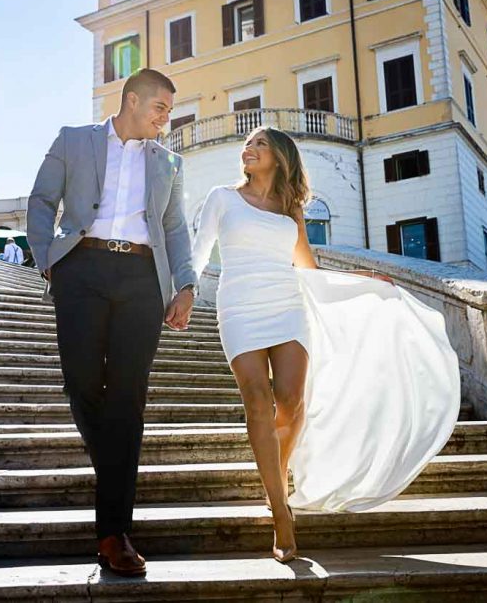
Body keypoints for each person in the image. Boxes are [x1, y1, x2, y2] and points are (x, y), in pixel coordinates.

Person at [190, 126, 461, 563]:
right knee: (258, 403)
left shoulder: (290, 210)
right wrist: (184, 290)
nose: (249, 148)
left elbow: (309, 268)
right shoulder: (222, 198)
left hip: (288, 303)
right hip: (239, 306)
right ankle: (281, 511)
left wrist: (365, 281)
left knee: (292, 403)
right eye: (248, 143)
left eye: (260, 143)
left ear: (279, 157)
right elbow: (199, 252)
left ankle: (276, 474)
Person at [26, 68, 197, 577]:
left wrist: (185, 285)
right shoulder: (74, 140)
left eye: (169, 110)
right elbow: (41, 200)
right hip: (82, 266)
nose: (166, 119)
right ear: (131, 99)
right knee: (81, 383)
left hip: (142, 277)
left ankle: (114, 532)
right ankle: (117, 475)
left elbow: (175, 227)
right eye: (160, 108)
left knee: (128, 396)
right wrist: (48, 258)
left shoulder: (169, 163)